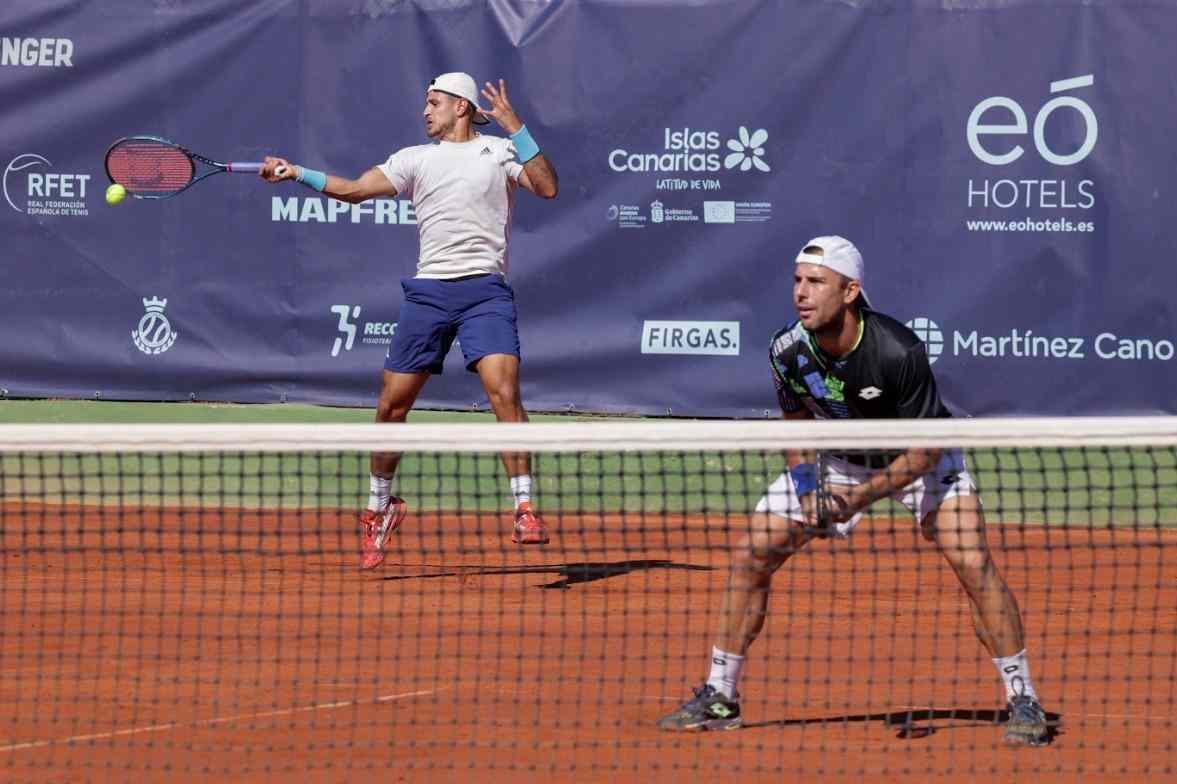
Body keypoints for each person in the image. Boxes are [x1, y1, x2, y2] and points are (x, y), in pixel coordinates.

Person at [656, 236, 1049, 747]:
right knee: (752, 554)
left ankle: (1023, 696)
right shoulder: (786, 348)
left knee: (973, 561)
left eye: (815, 282)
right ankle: (719, 693)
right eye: (797, 280)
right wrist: (805, 490)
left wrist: (855, 502)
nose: (801, 292)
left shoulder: (896, 350)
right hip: (840, 459)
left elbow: (924, 454)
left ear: (849, 291)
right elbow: (795, 424)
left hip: (921, 458)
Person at [260, 72, 559, 568]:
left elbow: (547, 187)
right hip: (429, 294)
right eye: (426, 103)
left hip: (485, 291)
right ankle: (380, 507)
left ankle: (524, 506)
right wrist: (297, 174)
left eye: (435, 102)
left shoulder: (502, 152)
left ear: (461, 107)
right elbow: (354, 189)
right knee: (391, 408)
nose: (426, 111)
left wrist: (517, 127)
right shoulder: (414, 159)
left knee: (503, 392)